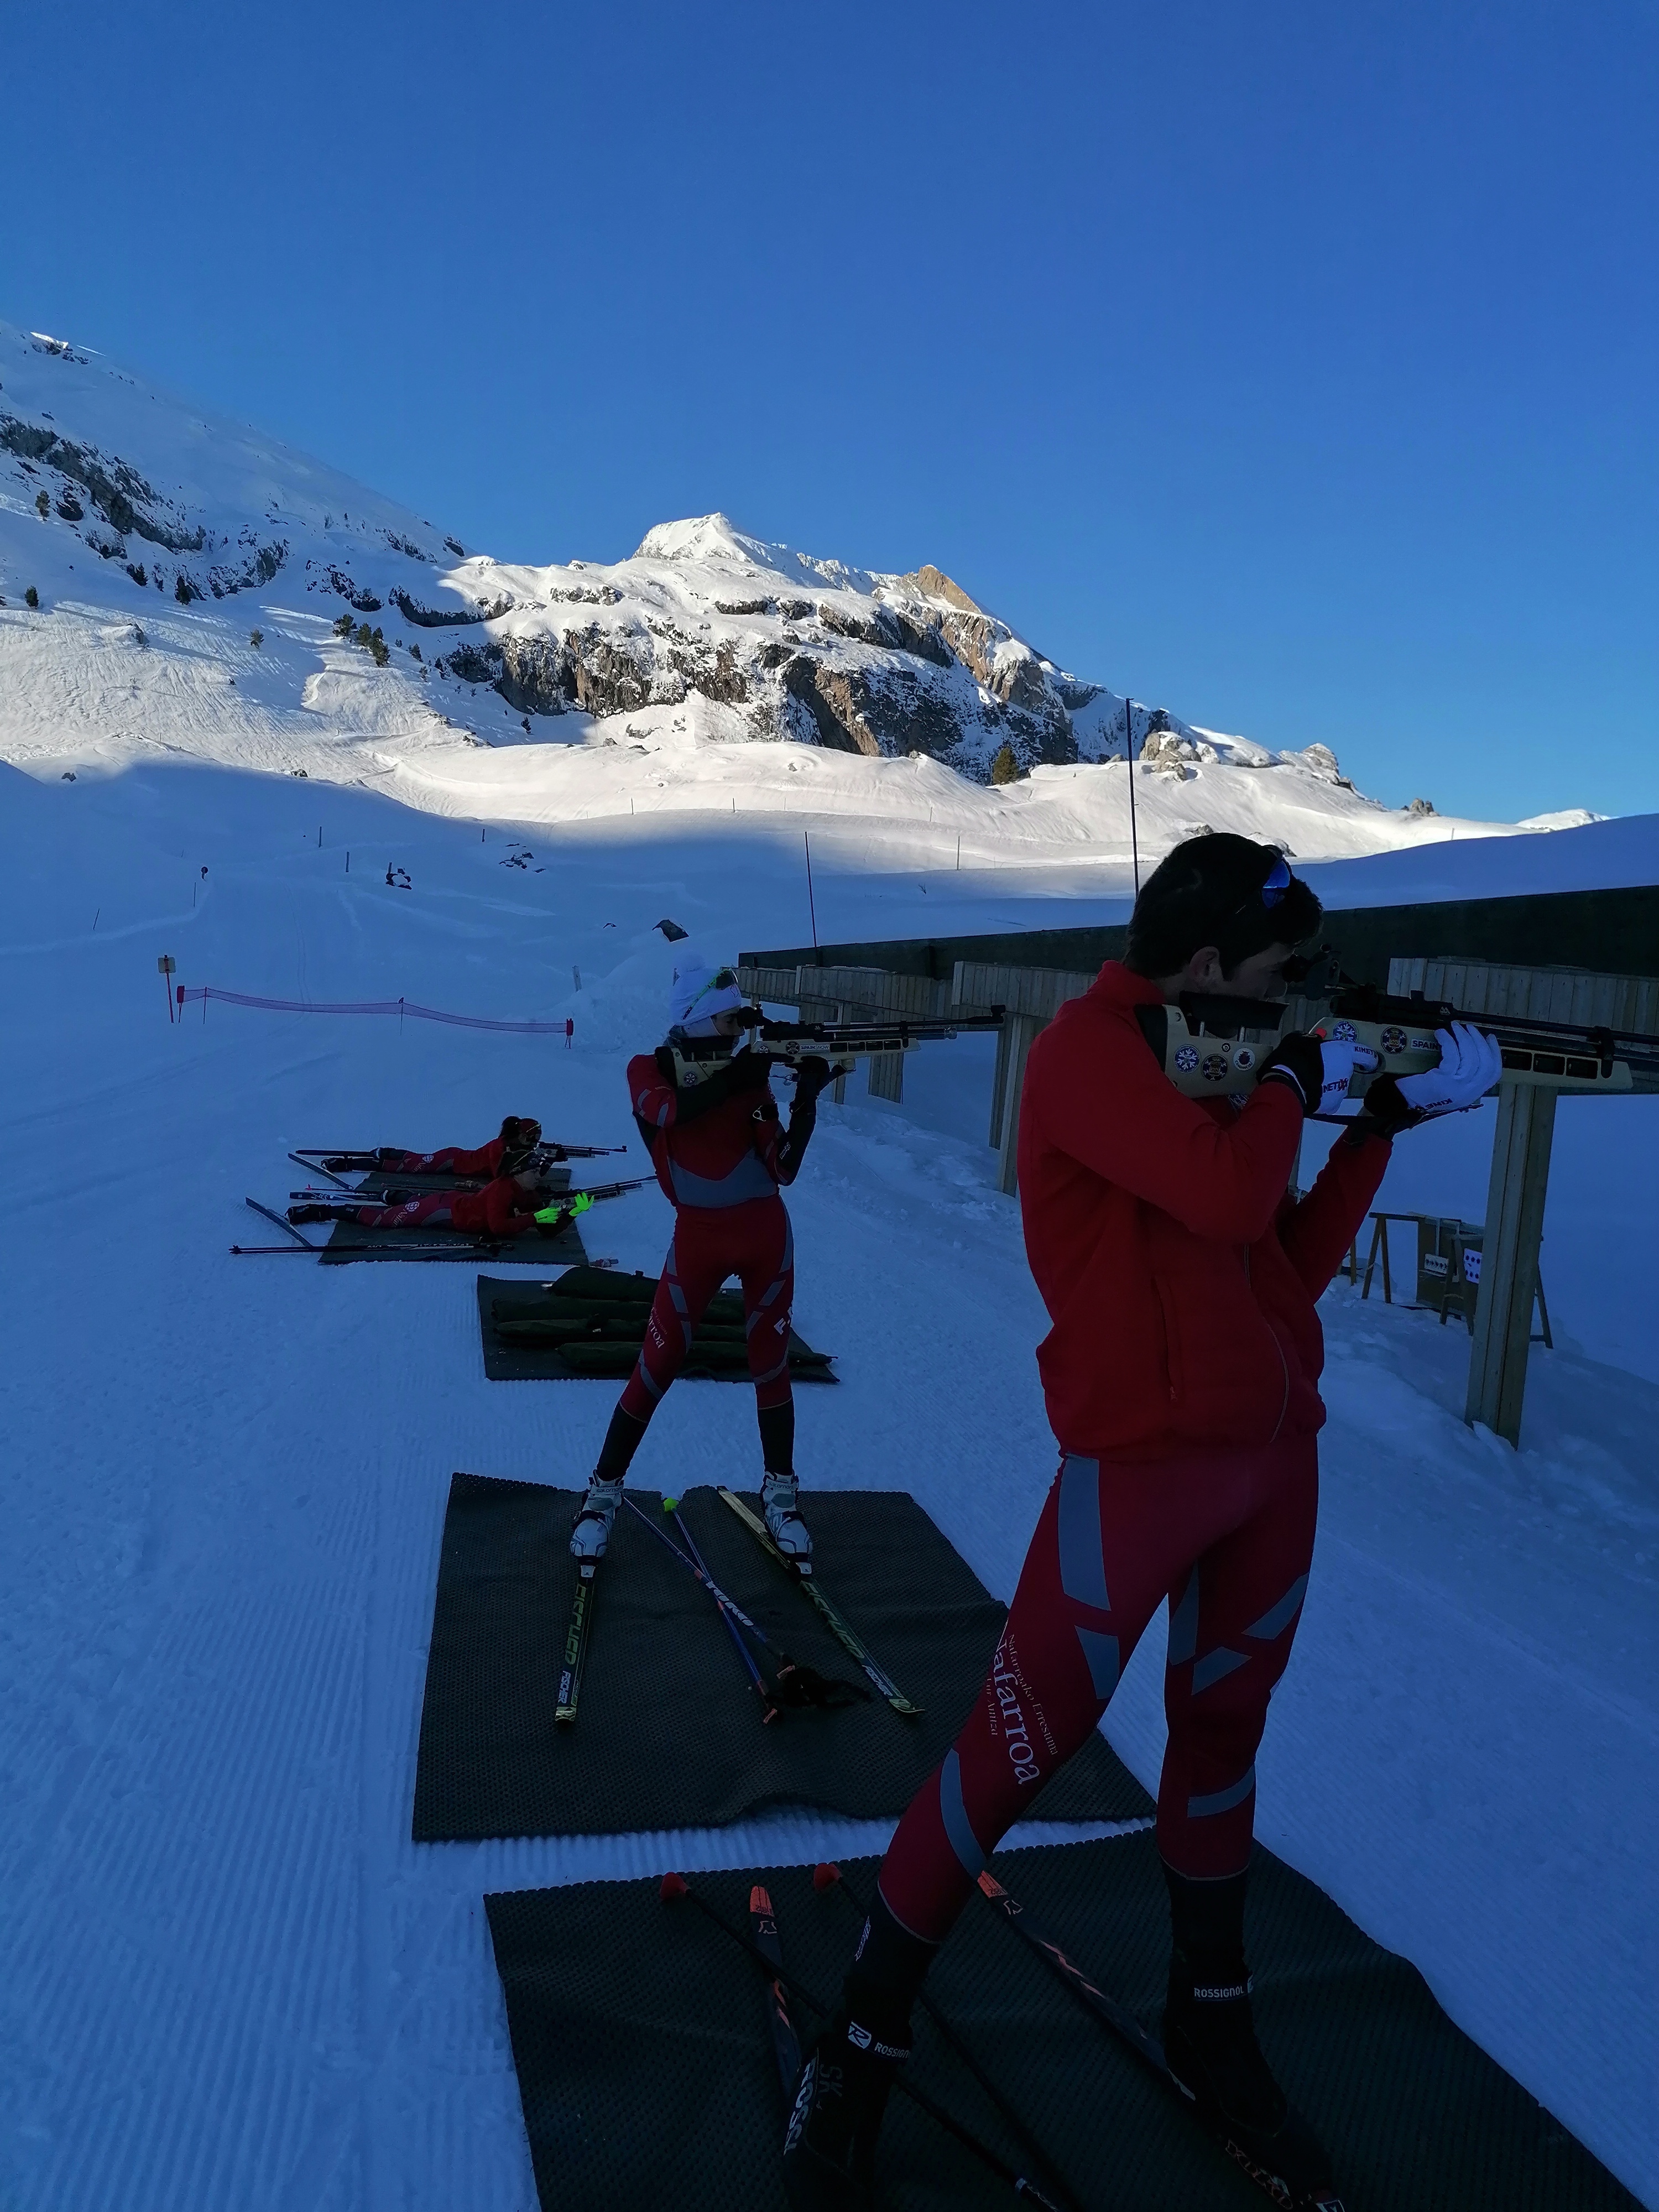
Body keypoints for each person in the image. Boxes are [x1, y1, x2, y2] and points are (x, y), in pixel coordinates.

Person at [781, 834, 1501, 2210]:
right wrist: (1304, 1079)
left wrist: (1373, 1127)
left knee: (1222, 1742)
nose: (1285, 1009)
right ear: (1206, 959)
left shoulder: (1215, 1068)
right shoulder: (1086, 1051)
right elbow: (1227, 1183)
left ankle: (1211, 2016)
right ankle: (860, 2036)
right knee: (1010, 1751)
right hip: (1138, 1474)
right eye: (1274, 983)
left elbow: (1273, 1259)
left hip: (1269, 1470)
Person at [567, 953, 833, 1564]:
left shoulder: (749, 1079)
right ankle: (602, 1496)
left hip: (767, 1238)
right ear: (697, 1019)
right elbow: (668, 1112)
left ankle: (782, 1495)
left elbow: (783, 1169)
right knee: (656, 1366)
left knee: (771, 1366)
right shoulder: (649, 1070)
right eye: (728, 1022)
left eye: (741, 1026)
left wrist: (808, 1101)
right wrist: (744, 1074)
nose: (738, 1033)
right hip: (698, 1241)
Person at [290, 1166, 590, 1243]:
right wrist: (537, 1216)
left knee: (413, 1203)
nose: (539, 1177)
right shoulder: (502, 1189)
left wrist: (573, 1209)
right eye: (534, 1172)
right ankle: (323, 1210)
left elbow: (546, 1228)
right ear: (517, 1172)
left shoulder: (527, 1193)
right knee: (381, 1221)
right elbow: (499, 1227)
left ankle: (394, 1196)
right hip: (445, 1210)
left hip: (455, 1203)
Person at [368, 1116, 546, 1179]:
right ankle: (378, 1160)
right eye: (533, 1138)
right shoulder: (499, 1147)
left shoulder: (514, 1147)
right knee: (412, 1166)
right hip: (453, 1162)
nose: (534, 1143)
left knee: (419, 1159)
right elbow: (499, 1175)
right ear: (522, 1136)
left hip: (457, 1159)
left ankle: (388, 1153)